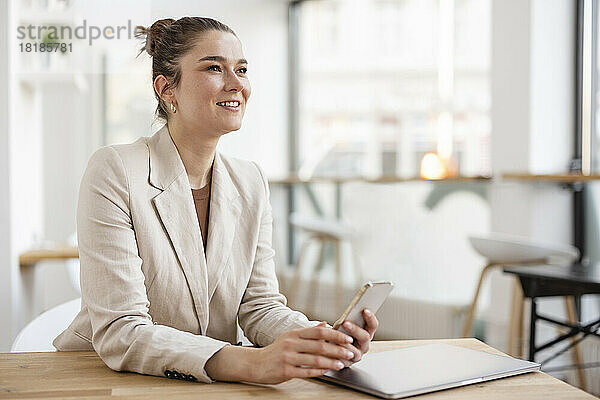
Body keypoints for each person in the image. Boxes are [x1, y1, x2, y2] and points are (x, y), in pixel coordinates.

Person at [53, 16, 379, 384]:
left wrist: (314, 339)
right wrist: (253, 364)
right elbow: (121, 329)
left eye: (241, 69)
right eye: (214, 68)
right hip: (104, 381)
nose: (236, 83)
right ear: (167, 89)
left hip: (209, 385)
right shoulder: (115, 169)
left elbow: (260, 306)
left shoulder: (250, 181)